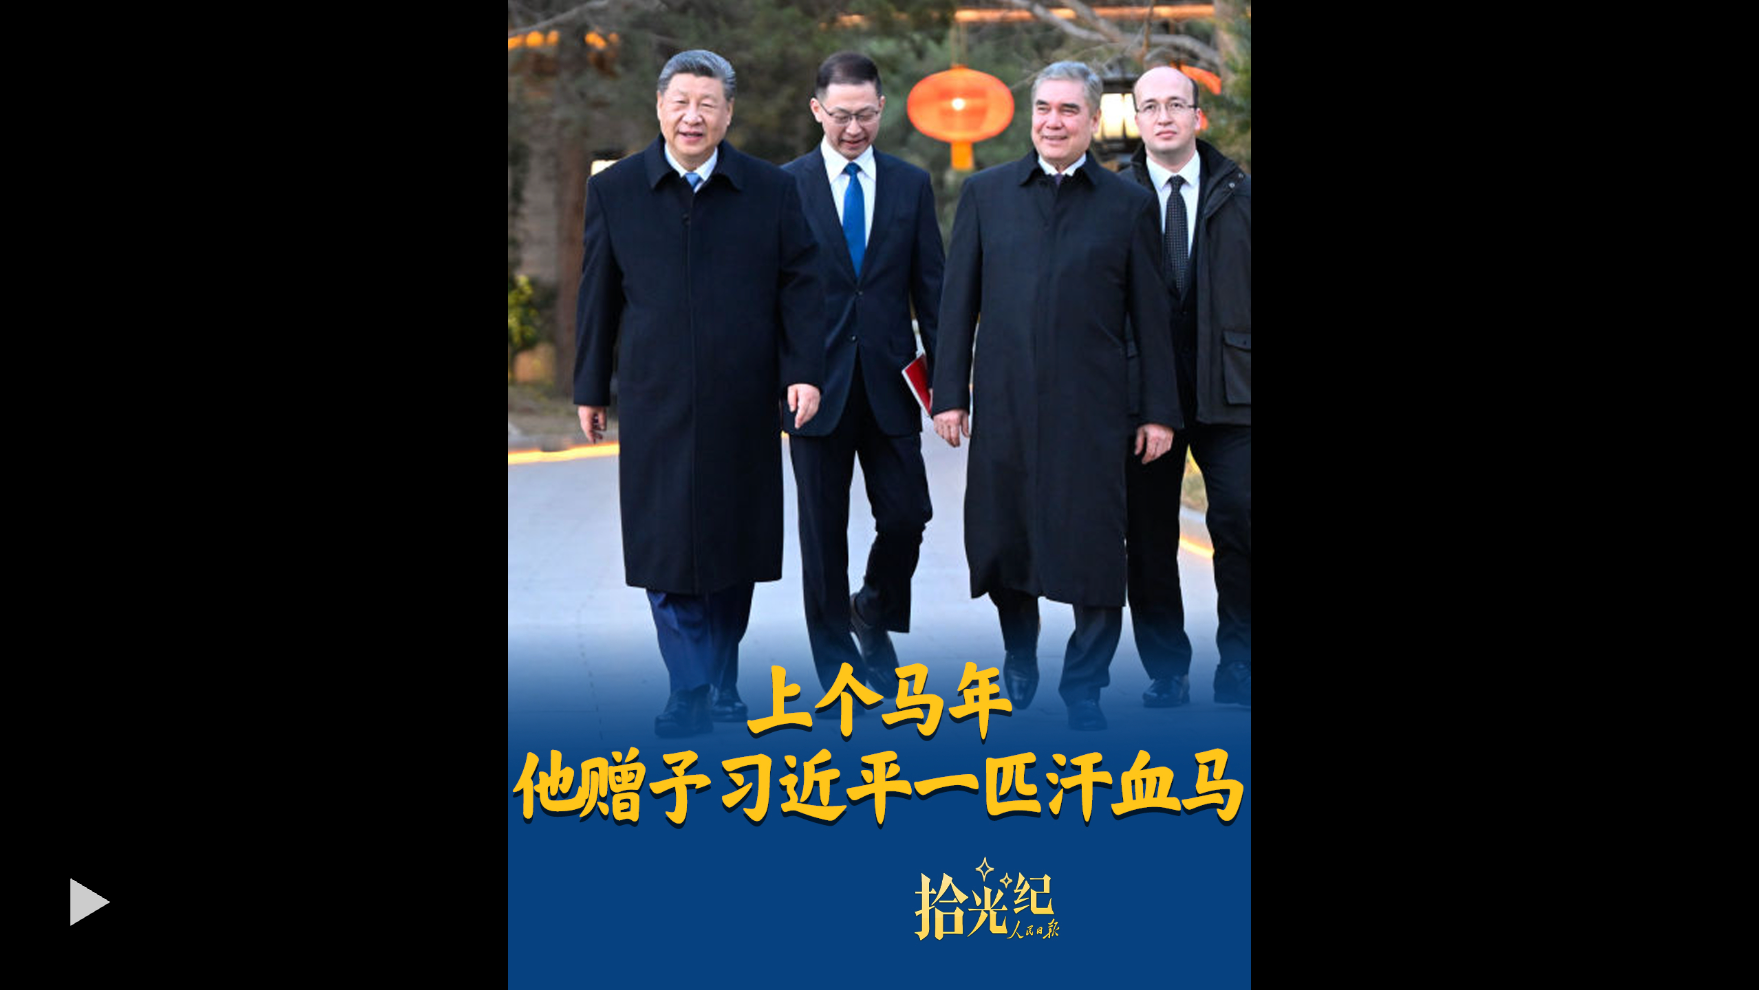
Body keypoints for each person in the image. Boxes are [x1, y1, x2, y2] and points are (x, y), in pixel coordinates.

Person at [574, 49, 825, 738]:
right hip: (654, 397)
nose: (693, 116)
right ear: (659, 107)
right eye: (680, 102)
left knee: (731, 548)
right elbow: (598, 295)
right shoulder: (616, 189)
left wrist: (803, 371)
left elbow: (802, 287)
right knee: (664, 546)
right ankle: (689, 687)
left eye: (707, 104)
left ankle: (720, 678)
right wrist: (591, 386)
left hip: (744, 397)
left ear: (728, 114)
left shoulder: (770, 189)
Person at [929, 61, 1179, 731]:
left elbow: (1151, 318)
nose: (1053, 121)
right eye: (1044, 108)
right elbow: (957, 304)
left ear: (1093, 120)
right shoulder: (987, 193)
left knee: (1094, 547)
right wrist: (949, 394)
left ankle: (1085, 686)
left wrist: (1158, 411)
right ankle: (1019, 653)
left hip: (1094, 408)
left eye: (1069, 110)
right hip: (1006, 401)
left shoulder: (1127, 204)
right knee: (1005, 537)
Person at [781, 52, 943, 705]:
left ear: (882, 107)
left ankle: (872, 610)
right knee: (823, 542)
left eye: (866, 115)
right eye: (841, 115)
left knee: (908, 515)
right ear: (817, 110)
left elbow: (932, 290)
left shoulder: (910, 184)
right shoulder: (784, 186)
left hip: (889, 383)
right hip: (813, 387)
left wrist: (948, 389)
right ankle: (839, 676)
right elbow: (768, 295)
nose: (854, 128)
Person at [1123, 65, 1251, 709]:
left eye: (1177, 104)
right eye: (1151, 106)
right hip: (1146, 395)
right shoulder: (1112, 200)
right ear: (1136, 119)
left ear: (1198, 116)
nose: (1164, 116)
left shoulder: (1241, 194)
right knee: (1148, 537)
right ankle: (1166, 670)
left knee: (1242, 519)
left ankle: (1241, 663)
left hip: (1233, 390)